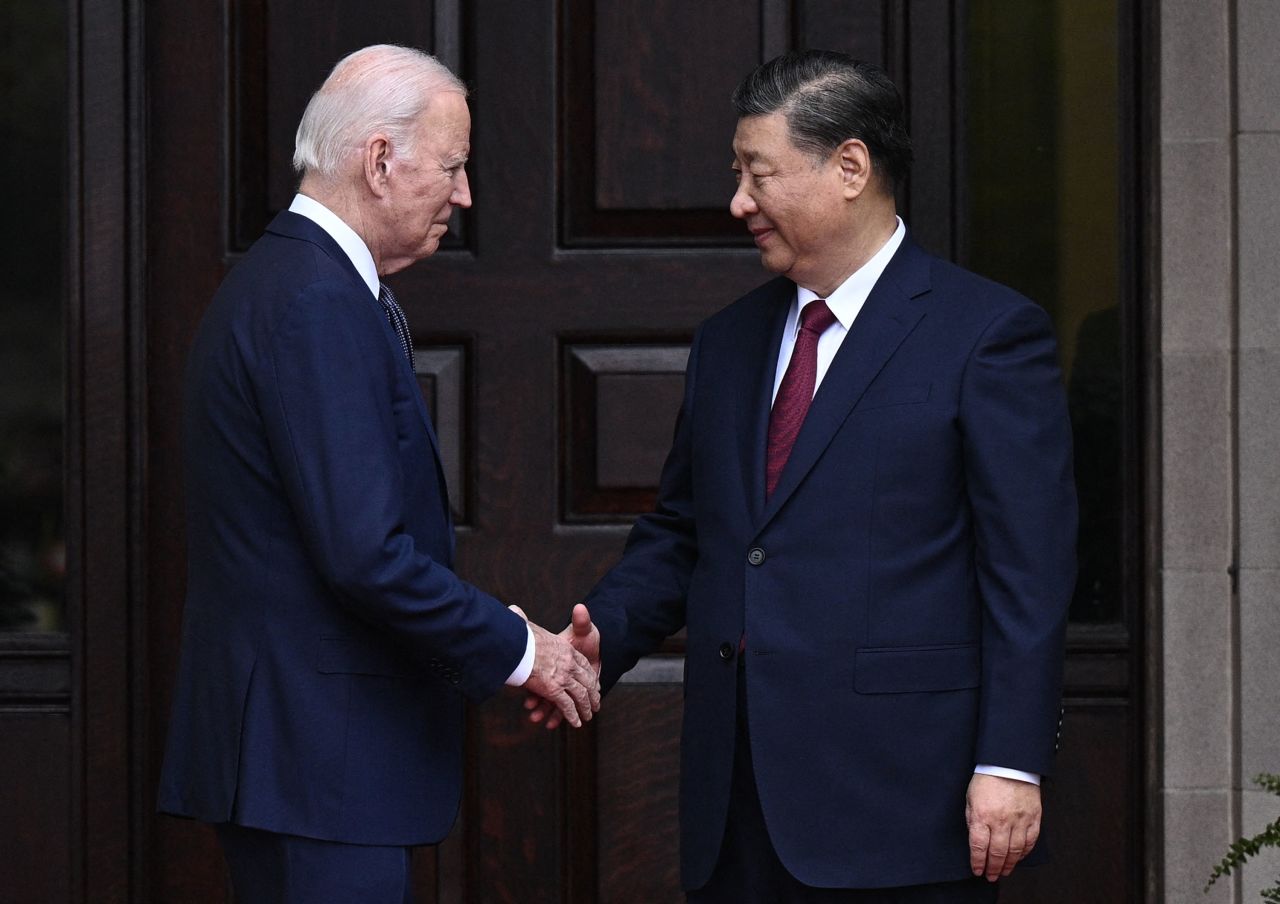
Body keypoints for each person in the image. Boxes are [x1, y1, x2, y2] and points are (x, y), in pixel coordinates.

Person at [531, 51, 1076, 902]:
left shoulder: (987, 335)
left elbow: (1027, 572)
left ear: (850, 168)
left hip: (904, 803)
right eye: (737, 174)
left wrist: (1010, 760)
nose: (739, 202)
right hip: (737, 803)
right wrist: (606, 631)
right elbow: (686, 531)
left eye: (758, 173)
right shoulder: (730, 340)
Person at [157, 44, 599, 904]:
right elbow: (363, 554)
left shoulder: (289, 280)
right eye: (454, 166)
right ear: (381, 160)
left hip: (304, 759)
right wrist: (521, 650)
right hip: (315, 763)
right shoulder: (315, 299)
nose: (464, 195)